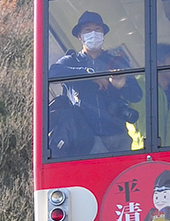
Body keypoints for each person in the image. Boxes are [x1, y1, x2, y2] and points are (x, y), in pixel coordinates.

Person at [49, 11, 143, 153]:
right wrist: (89, 74)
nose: (93, 33)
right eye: (88, 30)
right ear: (80, 37)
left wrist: (123, 86)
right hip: (88, 138)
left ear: (103, 34)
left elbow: (136, 96)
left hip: (120, 134)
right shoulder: (72, 61)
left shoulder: (116, 61)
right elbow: (53, 72)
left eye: (97, 29)